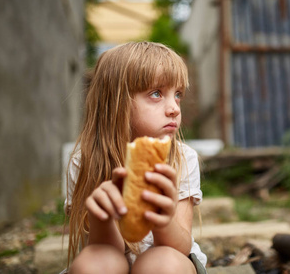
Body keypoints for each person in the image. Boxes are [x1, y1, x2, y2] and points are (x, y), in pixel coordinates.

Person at [64, 42, 207, 274]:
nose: (174, 108)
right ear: (116, 102)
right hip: (111, 259)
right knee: (91, 265)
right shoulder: (85, 160)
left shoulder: (182, 158)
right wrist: (103, 218)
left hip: (169, 260)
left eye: (178, 94)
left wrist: (164, 219)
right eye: (156, 93)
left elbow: (180, 247)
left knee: (162, 264)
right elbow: (103, 250)